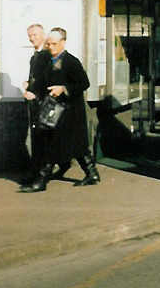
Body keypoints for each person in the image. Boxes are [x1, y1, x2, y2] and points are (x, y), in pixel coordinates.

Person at [20, 27, 100, 193]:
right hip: (55, 111)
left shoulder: (71, 62)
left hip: (70, 111)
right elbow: (41, 82)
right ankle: (92, 174)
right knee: (72, 144)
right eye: (48, 44)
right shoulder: (49, 61)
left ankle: (42, 180)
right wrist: (32, 91)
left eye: (54, 44)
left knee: (55, 143)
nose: (51, 47)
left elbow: (84, 83)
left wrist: (63, 88)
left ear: (63, 43)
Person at [22, 24, 52, 184]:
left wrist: (35, 93)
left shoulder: (47, 56)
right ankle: (36, 173)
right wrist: (28, 84)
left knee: (43, 139)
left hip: (43, 103)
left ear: (43, 35)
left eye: (34, 35)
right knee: (36, 138)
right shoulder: (35, 56)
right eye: (30, 35)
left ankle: (40, 177)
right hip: (35, 104)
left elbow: (48, 80)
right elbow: (36, 79)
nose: (31, 38)